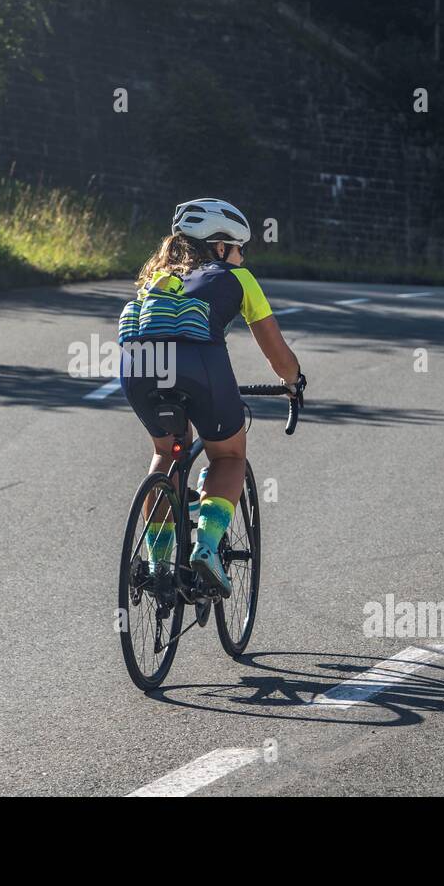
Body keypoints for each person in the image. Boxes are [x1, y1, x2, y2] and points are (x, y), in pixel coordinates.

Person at [118, 198, 304, 597]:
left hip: (137, 368)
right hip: (198, 366)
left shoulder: (155, 277)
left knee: (166, 453)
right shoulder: (238, 279)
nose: (241, 257)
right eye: (239, 248)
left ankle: (158, 564)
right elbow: (278, 356)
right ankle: (205, 548)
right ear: (220, 247)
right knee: (229, 455)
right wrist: (293, 381)